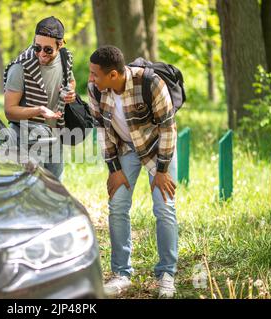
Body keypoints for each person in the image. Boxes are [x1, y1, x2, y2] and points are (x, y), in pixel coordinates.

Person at [87, 45, 178, 298]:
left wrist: (162, 170)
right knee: (117, 205)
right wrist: (113, 169)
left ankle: (166, 274)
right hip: (126, 149)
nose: (91, 78)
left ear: (113, 75)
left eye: (95, 73)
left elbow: (169, 128)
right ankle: (121, 274)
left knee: (164, 207)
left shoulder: (151, 83)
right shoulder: (95, 89)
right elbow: (103, 130)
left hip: (158, 148)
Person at [3, 16, 76, 180]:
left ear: (60, 44)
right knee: (32, 189)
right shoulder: (20, 67)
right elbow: (9, 111)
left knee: (56, 191)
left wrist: (70, 91)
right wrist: (39, 110)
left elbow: (71, 80)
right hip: (27, 139)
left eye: (48, 49)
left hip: (55, 137)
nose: (41, 53)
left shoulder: (65, 58)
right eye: (37, 47)